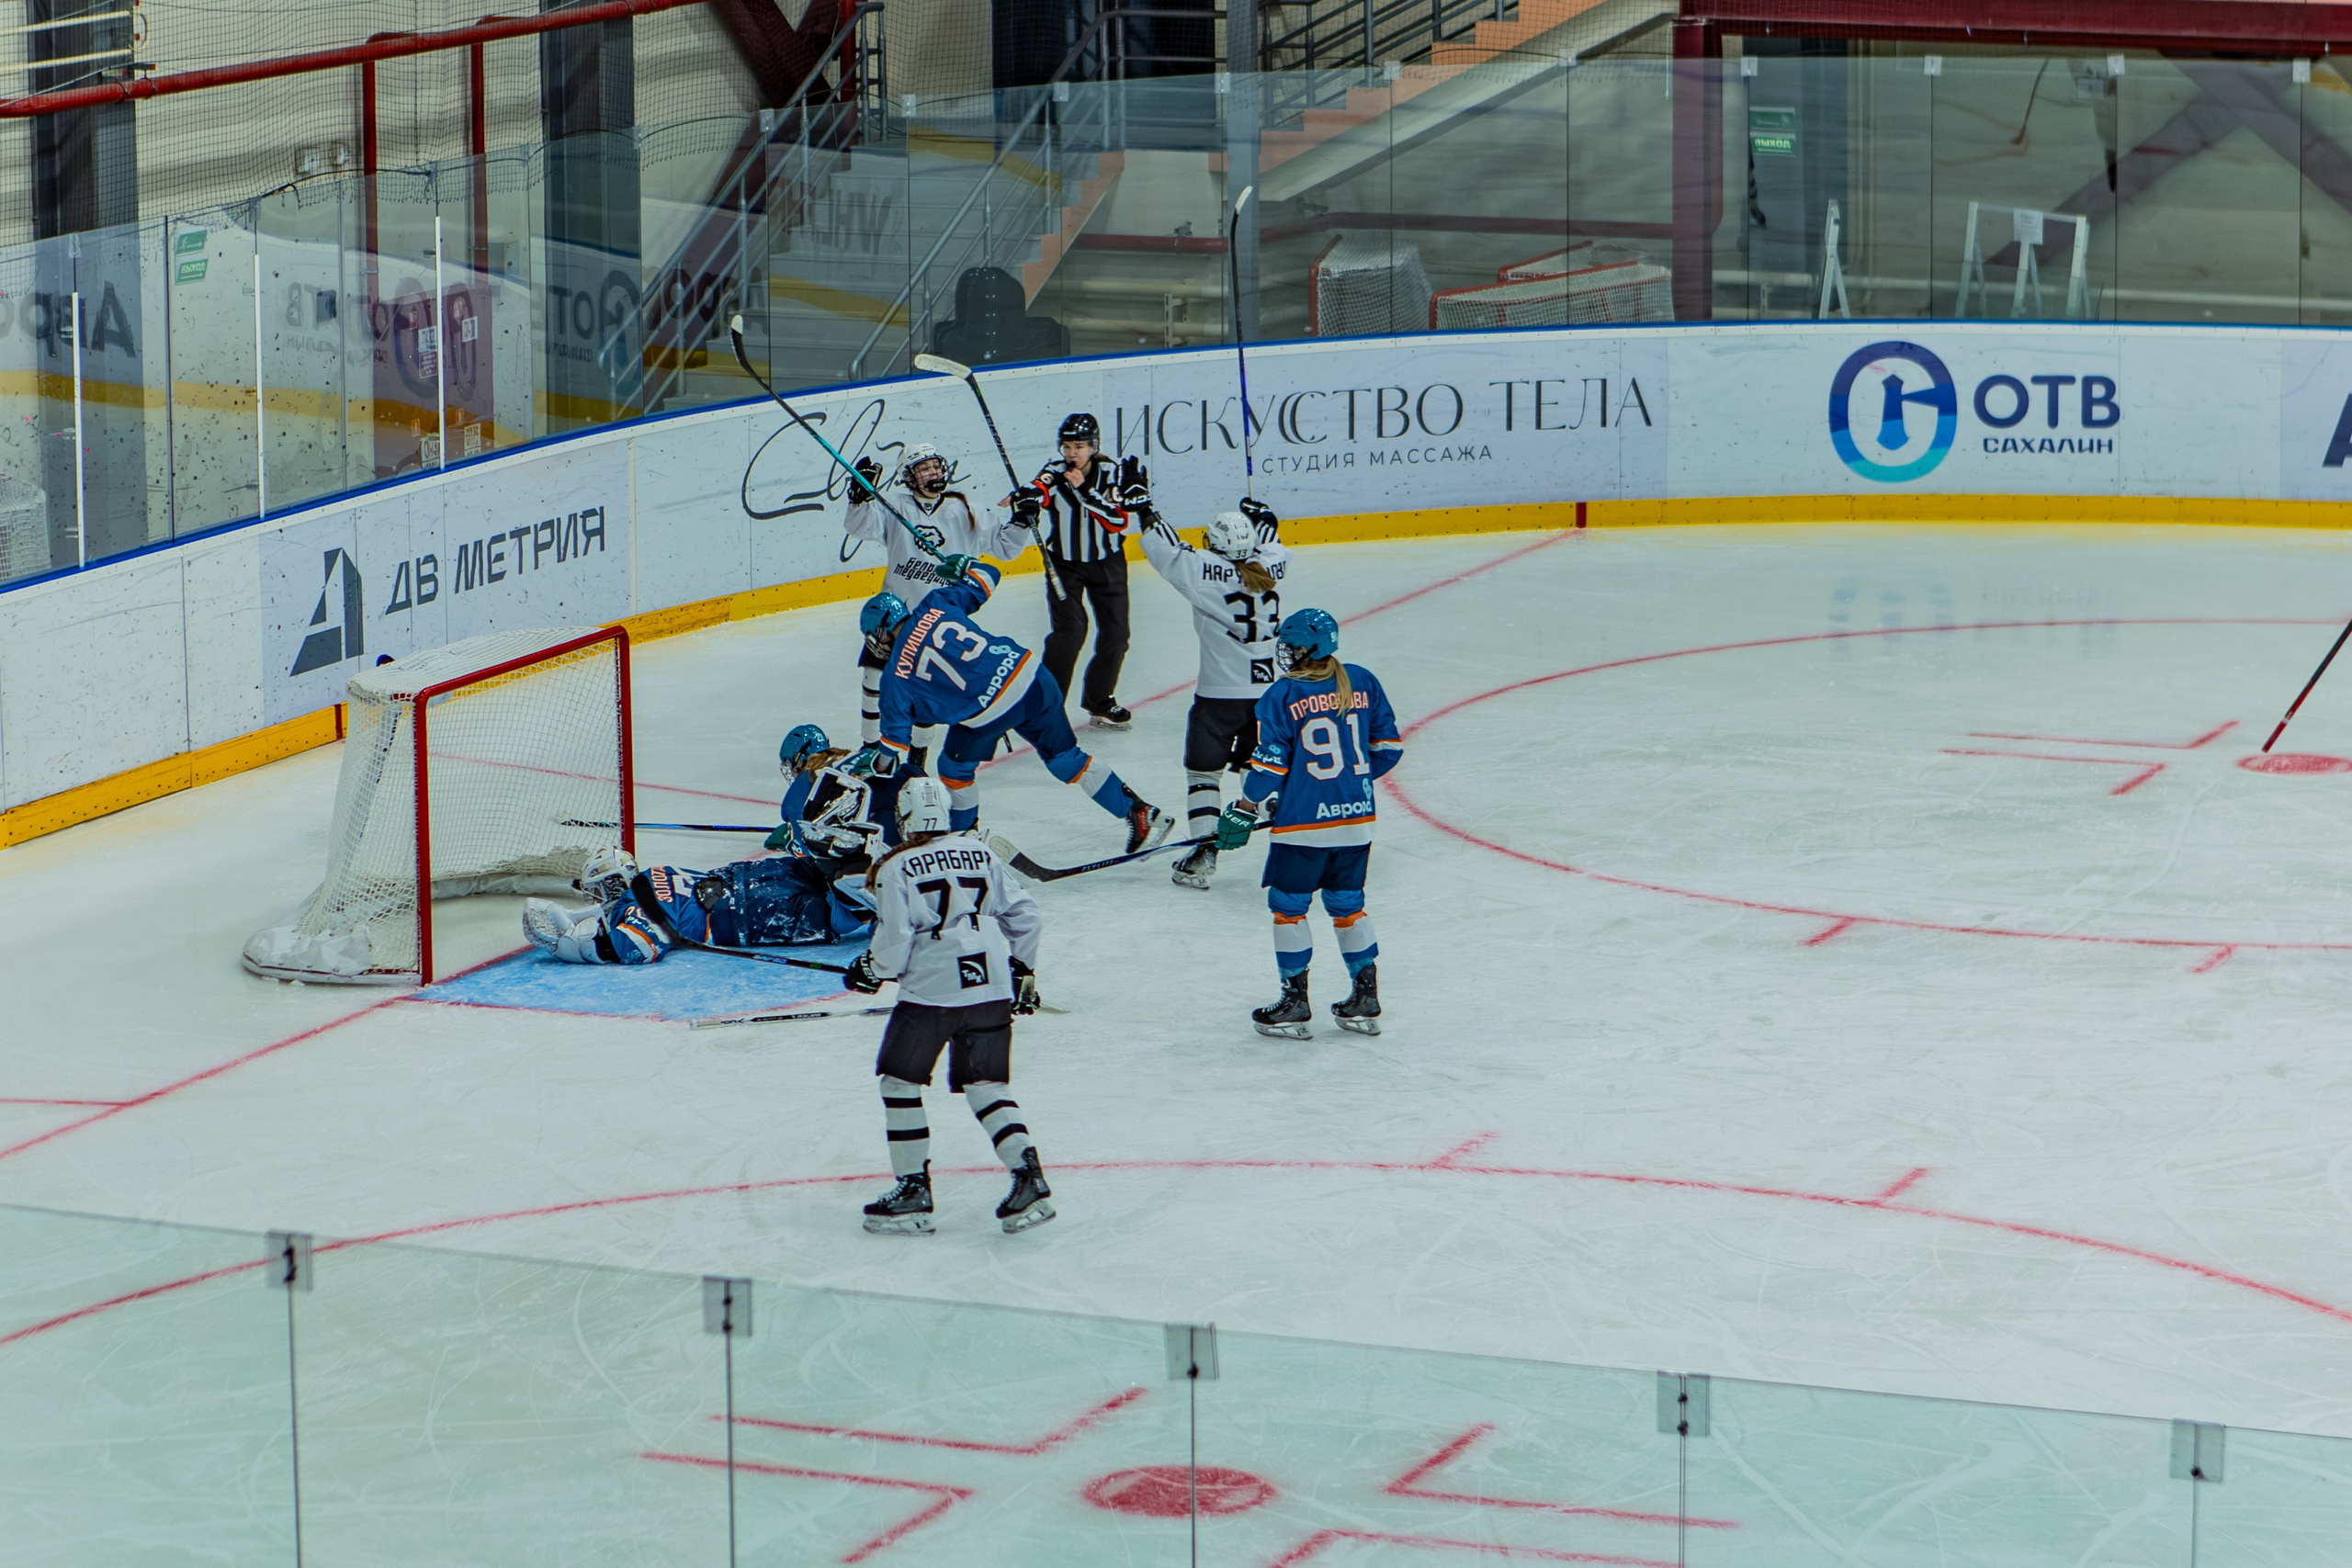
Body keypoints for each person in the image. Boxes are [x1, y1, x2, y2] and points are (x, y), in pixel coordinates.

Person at [845, 777, 1055, 1235]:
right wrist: (1022, 970)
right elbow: (1028, 916)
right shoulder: (979, 851)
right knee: (987, 1085)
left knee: (900, 1083)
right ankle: (1029, 1179)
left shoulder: (895, 866)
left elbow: (896, 945)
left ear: (902, 817)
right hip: (992, 981)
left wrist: (869, 968)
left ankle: (913, 1190)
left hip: (933, 990)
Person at [856, 557, 1172, 853]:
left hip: (988, 712)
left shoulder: (894, 679)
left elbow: (893, 748)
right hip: (1031, 676)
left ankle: (966, 840)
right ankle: (1140, 813)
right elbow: (988, 575)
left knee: (953, 769)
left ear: (881, 632)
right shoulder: (935, 603)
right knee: (1067, 759)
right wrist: (966, 564)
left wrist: (873, 766)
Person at [1215, 608, 1403, 1038]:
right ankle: (1365, 1000)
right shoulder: (1362, 681)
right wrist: (1342, 786)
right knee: (1348, 906)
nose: (1285, 652)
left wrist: (1245, 806)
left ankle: (1295, 1004)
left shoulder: (1282, 695)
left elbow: (1267, 769)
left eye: (1291, 645)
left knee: (1288, 909)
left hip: (1304, 829)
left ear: (1308, 648)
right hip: (1357, 821)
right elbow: (1388, 749)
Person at [1137, 497, 1288, 889]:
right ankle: (1278, 808)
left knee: (1204, 773)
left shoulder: (1205, 572)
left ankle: (1205, 851)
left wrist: (1145, 511)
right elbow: (1272, 543)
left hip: (1220, 695)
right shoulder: (1271, 565)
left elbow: (1167, 553)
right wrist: (1263, 520)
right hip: (1269, 694)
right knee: (1253, 765)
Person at [844, 442, 1033, 750]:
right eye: (923, 468)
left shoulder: (968, 510)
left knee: (924, 694)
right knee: (873, 679)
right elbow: (859, 527)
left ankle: (917, 757)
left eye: (935, 465)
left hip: (938, 623)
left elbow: (1006, 548)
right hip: (895, 616)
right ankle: (868, 747)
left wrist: (1022, 520)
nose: (933, 472)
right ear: (908, 476)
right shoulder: (895, 505)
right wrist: (859, 501)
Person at [522, 847, 873, 964]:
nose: (597, 900)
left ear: (615, 884)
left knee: (841, 912)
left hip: (755, 911)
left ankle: (892, 903)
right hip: (768, 875)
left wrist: (570, 946)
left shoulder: (635, 905)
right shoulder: (656, 873)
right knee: (839, 872)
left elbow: (636, 948)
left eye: (599, 891)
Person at [1031, 412, 1151, 729]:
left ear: (1093, 447)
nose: (1072, 453)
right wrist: (1025, 500)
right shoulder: (1055, 471)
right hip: (1064, 565)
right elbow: (1038, 489)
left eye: (1080, 446)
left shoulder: (1112, 474)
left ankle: (1099, 701)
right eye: (1068, 446)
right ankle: (1046, 707)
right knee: (1069, 633)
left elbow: (1117, 520)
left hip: (1107, 563)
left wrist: (1084, 491)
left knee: (1116, 636)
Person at [770, 722, 899, 879]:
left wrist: (788, 840)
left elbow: (805, 853)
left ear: (799, 759)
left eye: (791, 766)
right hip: (911, 822)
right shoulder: (856, 755)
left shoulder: (806, 779)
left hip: (877, 847)